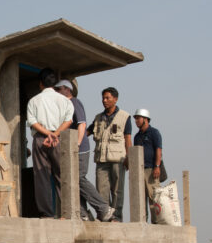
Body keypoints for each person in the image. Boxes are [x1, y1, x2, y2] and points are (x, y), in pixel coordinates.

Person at [54, 79, 114, 222]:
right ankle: (82, 213)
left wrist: (78, 143)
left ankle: (103, 208)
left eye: (59, 89)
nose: (57, 92)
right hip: (70, 148)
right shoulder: (64, 105)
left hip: (79, 149)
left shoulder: (74, 102)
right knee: (72, 180)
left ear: (67, 89)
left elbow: (82, 124)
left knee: (78, 178)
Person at [26, 68, 74, 218]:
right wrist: (55, 134)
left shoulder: (34, 100)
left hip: (41, 139)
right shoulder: (64, 100)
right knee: (62, 175)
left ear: (41, 84)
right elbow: (69, 120)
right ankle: (67, 212)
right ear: (54, 84)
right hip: (59, 138)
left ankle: (47, 214)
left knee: (42, 176)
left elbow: (32, 122)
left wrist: (47, 134)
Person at [88, 87, 132, 222]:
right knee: (101, 190)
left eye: (107, 98)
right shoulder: (98, 118)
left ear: (115, 99)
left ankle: (116, 217)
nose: (104, 101)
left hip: (118, 159)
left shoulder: (125, 116)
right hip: (101, 160)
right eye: (103, 98)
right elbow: (86, 132)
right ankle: (104, 216)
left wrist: (129, 157)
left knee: (117, 190)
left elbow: (128, 138)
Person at [132, 108, 163, 223]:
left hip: (151, 170)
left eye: (138, 118)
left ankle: (156, 223)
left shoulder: (154, 133)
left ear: (145, 119)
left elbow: (158, 150)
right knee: (140, 199)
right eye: (135, 119)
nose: (136, 121)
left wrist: (157, 166)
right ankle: (143, 223)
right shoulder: (137, 137)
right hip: (139, 171)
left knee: (154, 198)